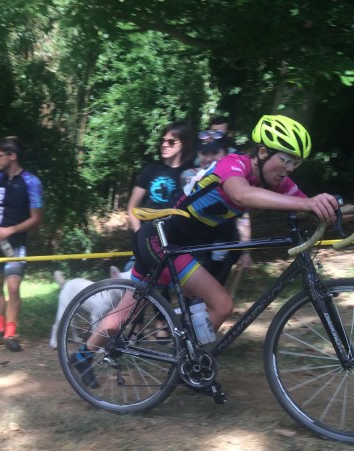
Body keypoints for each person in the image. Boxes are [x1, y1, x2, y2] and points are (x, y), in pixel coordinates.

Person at [76, 115, 340, 383]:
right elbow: (241, 195)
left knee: (127, 309)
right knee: (222, 304)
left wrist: (333, 208)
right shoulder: (232, 164)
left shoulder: (274, 182)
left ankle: (83, 355)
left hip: (170, 245)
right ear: (262, 151)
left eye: (296, 162)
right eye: (286, 159)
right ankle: (188, 365)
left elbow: (315, 206)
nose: (290, 168)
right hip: (162, 240)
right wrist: (307, 205)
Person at [0, 136, 43, 352]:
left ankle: (10, 333)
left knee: (13, 287)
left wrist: (11, 230)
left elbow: (36, 218)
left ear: (12, 156)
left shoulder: (31, 182)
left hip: (16, 242)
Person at [126, 120, 195, 234]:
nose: (164, 145)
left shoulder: (191, 172)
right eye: (163, 140)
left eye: (171, 142)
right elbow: (132, 207)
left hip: (176, 236)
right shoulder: (150, 169)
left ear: (184, 143)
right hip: (147, 231)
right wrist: (140, 236)